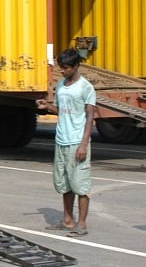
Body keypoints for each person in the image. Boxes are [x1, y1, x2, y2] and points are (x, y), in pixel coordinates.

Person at [37, 48, 96, 238]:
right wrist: (48, 106)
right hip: (61, 140)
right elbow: (61, 110)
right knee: (64, 183)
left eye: (66, 67)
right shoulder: (61, 85)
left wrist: (83, 144)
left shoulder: (86, 87)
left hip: (77, 141)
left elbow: (90, 117)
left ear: (76, 66)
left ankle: (82, 224)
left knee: (80, 185)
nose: (62, 71)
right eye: (61, 67)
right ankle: (67, 220)